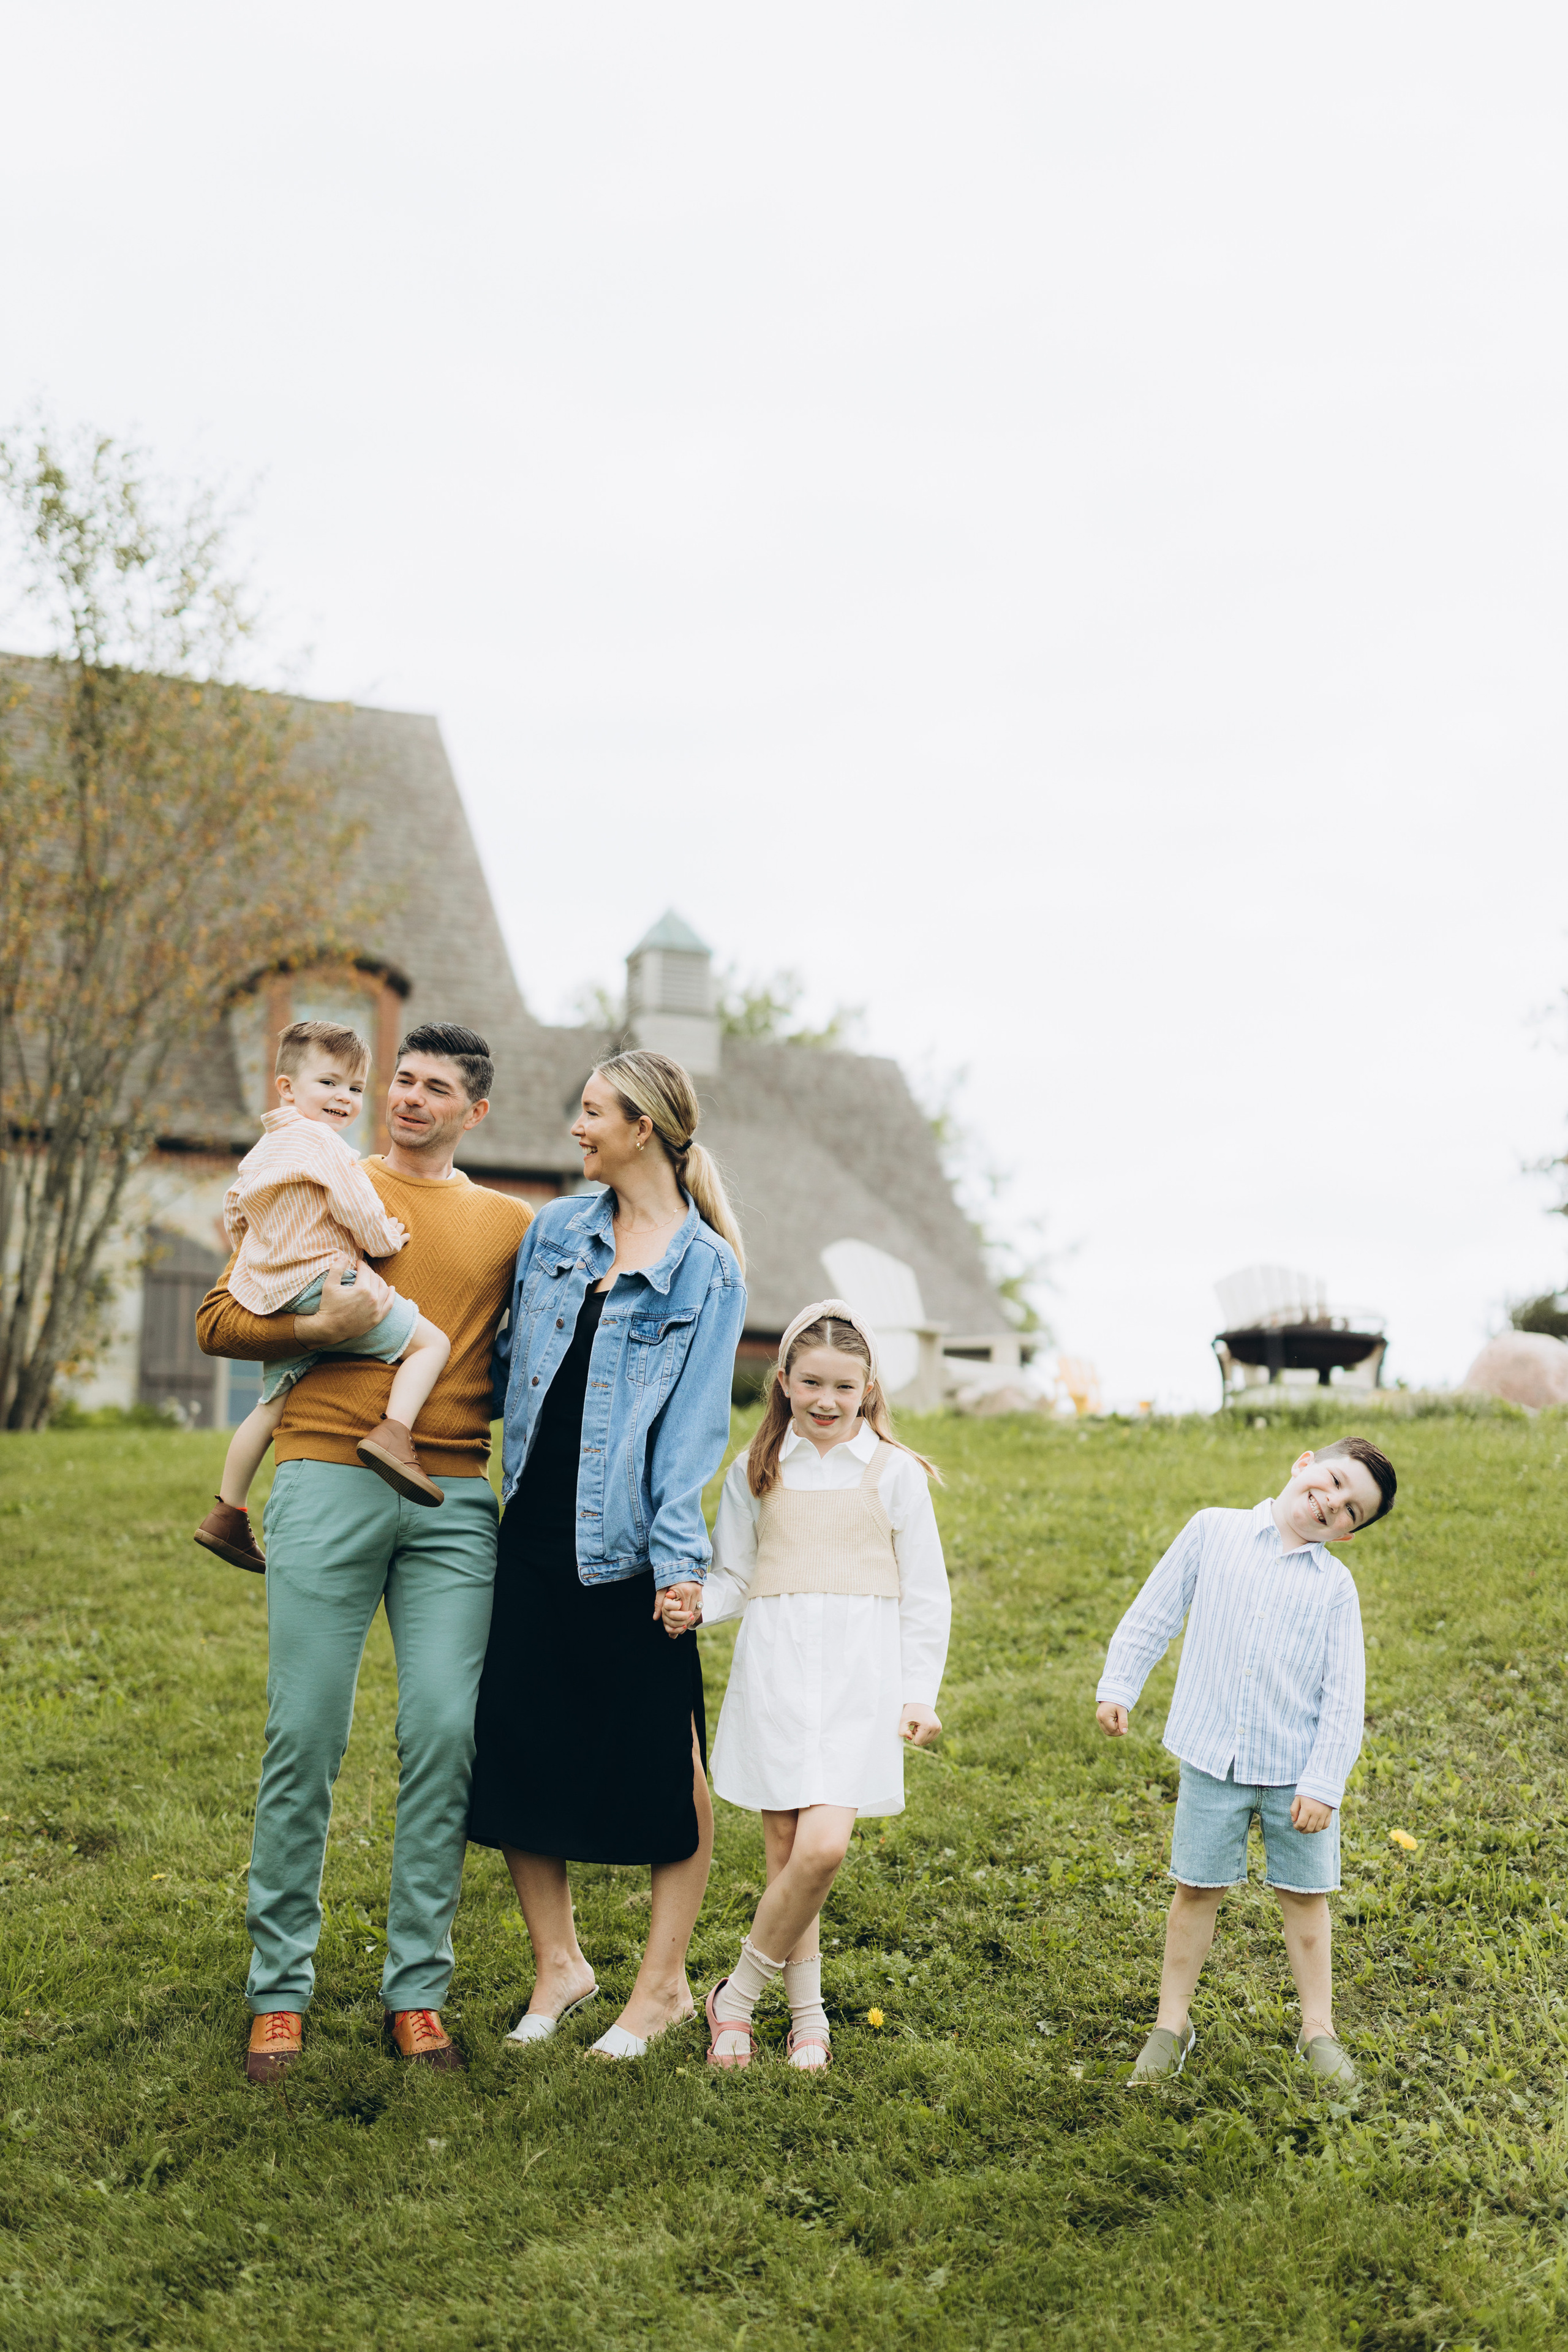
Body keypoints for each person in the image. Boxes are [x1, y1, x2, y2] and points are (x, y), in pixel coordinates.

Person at [195, 1023, 532, 2082]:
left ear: (475, 1111)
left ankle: (417, 1991)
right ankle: (278, 1994)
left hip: (451, 1496)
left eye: (437, 1088)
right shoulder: (315, 1177)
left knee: (443, 1733)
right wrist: (314, 1331)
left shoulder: (510, 1225)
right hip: (325, 1477)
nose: (410, 1099)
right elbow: (217, 1320)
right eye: (404, 1081)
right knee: (305, 1733)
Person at [469, 1049, 746, 2061]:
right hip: (533, 1529)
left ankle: (662, 1987)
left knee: (670, 1763)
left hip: (629, 1548)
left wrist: (679, 1569)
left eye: (592, 1112)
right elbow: (502, 1363)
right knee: (516, 1743)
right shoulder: (554, 1232)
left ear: (644, 1128)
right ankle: (561, 1966)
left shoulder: (707, 1269)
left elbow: (691, 1437)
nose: (577, 1128)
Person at [1095, 1436, 1398, 2089]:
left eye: (1351, 1510)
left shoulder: (1334, 1588)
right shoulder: (1213, 1531)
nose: (1332, 1503)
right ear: (1304, 1464)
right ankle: (1171, 2022)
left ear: (1348, 1535)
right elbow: (1155, 1611)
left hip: (1296, 1774)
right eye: (1333, 1481)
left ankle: (1317, 2028)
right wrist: (1119, 1684)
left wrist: (1324, 1782)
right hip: (1212, 1759)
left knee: (1306, 1900)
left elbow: (1345, 1695)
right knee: (1195, 1890)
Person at [697, 1301, 951, 2071]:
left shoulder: (893, 1474)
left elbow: (926, 1593)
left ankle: (735, 1998)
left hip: (857, 1686)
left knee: (823, 1849)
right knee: (785, 1856)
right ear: (782, 1380)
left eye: (844, 1386)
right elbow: (735, 1574)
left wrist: (918, 1692)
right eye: (811, 1382)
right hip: (776, 1676)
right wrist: (693, 1606)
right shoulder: (756, 1470)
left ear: (868, 1388)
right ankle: (807, 2017)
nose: (827, 1400)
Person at [194, 1021, 452, 1574]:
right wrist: (385, 1240)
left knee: (270, 1406)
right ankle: (394, 1434)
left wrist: (259, 1265)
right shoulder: (323, 1143)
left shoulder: (263, 1150)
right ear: (287, 1088)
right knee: (432, 1345)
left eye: (355, 1088)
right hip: (324, 1282)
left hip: (275, 1293)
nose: (344, 1098)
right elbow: (357, 1205)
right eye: (329, 1083)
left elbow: (235, 1209)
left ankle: (227, 1512)